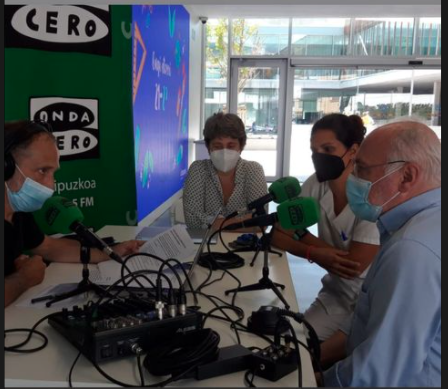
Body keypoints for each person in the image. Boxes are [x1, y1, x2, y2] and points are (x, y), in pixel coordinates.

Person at [322, 121, 441, 387]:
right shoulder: (425, 223)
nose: (353, 178)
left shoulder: (411, 249)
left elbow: (378, 373)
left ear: (407, 176)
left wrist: (314, 381)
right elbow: (373, 322)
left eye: (362, 169)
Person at [4, 120, 144, 307]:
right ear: (7, 166)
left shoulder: (18, 211)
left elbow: (47, 247)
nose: (51, 185)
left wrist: (107, 253)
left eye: (53, 173)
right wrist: (24, 278)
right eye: (42, 170)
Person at [272, 113, 380, 341]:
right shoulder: (317, 182)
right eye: (314, 151)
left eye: (328, 149)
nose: (319, 157)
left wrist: (302, 236)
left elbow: (353, 265)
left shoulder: (371, 195)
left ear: (353, 151)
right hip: (335, 294)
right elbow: (278, 235)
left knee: (316, 360)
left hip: (367, 302)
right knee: (291, 342)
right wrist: (314, 253)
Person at [183, 112, 268, 230]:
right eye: (217, 146)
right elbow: (192, 222)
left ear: (241, 146)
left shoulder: (253, 170)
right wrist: (243, 221)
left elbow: (261, 221)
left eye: (231, 146)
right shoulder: (198, 170)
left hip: (245, 245)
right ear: (209, 147)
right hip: (207, 246)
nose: (224, 152)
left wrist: (214, 223)